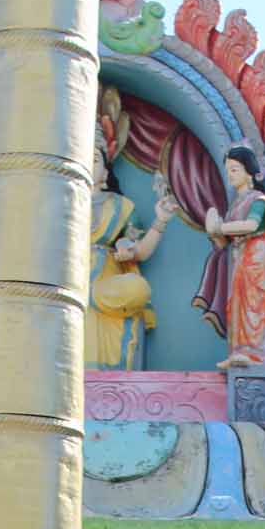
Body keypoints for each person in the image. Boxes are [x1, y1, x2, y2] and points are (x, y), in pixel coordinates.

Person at [86, 98, 176, 369]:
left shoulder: (121, 206)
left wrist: (160, 221)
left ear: (105, 171)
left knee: (138, 289)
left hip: (105, 285)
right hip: (64, 282)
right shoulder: (56, 203)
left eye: (92, 160)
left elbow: (141, 251)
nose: (87, 166)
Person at [203, 144, 265, 369]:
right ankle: (238, 349)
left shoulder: (257, 199)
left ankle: (254, 353)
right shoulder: (235, 205)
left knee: (252, 305)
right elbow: (222, 241)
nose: (230, 175)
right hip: (239, 257)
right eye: (228, 170)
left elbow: (251, 224)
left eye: (235, 169)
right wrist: (214, 229)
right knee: (237, 304)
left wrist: (221, 227)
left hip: (256, 258)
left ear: (249, 172)